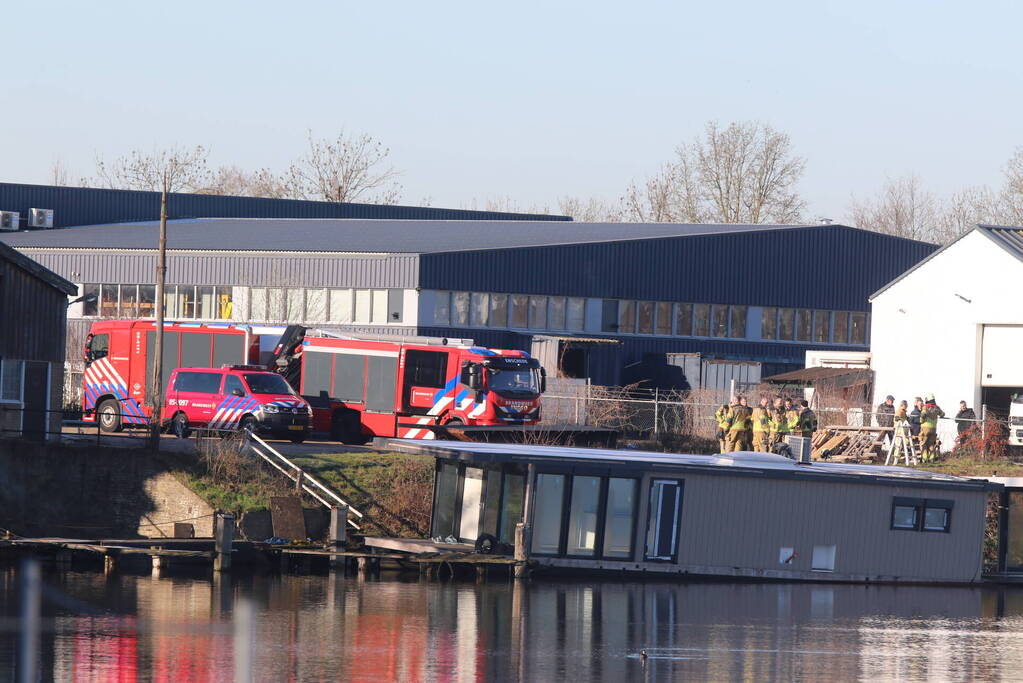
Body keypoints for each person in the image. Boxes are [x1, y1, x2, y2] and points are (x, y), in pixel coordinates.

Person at [919, 393, 945, 462]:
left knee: (924, 443)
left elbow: (923, 415)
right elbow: (942, 414)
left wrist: (921, 421)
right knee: (931, 443)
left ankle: (924, 459)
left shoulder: (925, 407)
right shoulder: (937, 408)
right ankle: (931, 458)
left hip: (925, 428)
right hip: (933, 428)